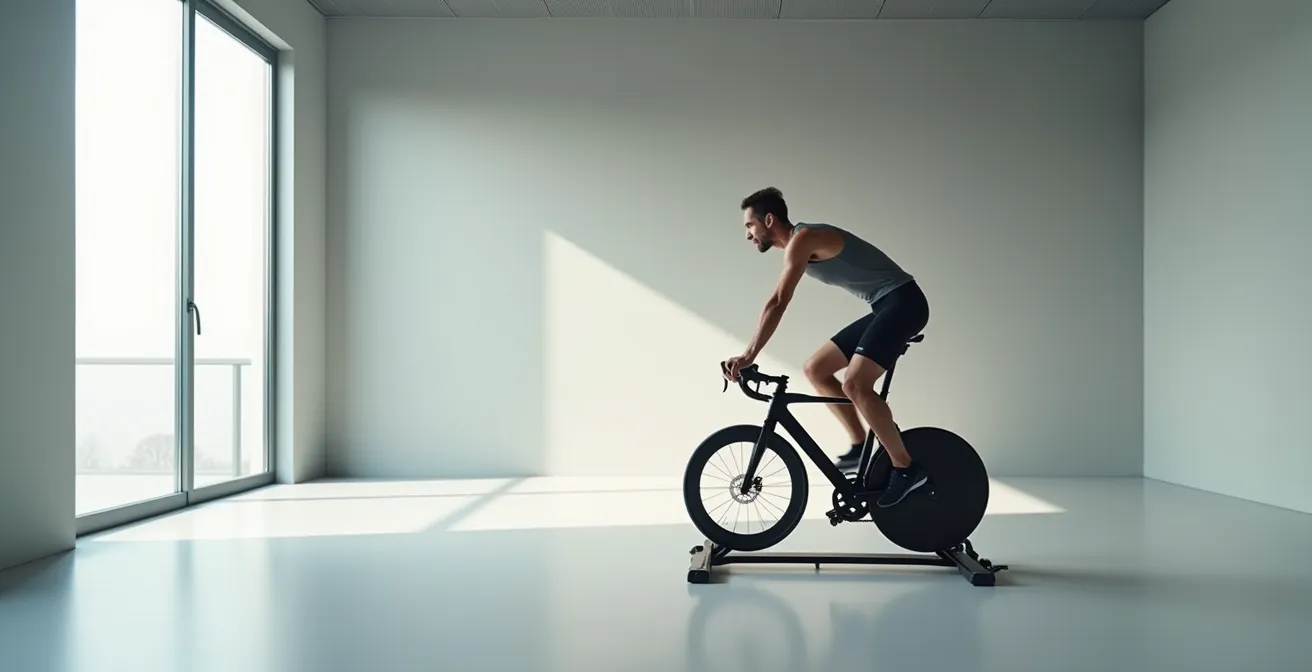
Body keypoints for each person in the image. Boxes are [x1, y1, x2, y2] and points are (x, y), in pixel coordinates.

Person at [722, 187, 930, 508]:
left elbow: (778, 301)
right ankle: (861, 444)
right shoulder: (800, 245)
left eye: (749, 226)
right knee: (816, 369)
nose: (748, 235)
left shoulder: (803, 239)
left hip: (905, 303)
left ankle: (906, 469)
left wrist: (749, 355)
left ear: (768, 220)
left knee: (855, 384)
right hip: (885, 306)